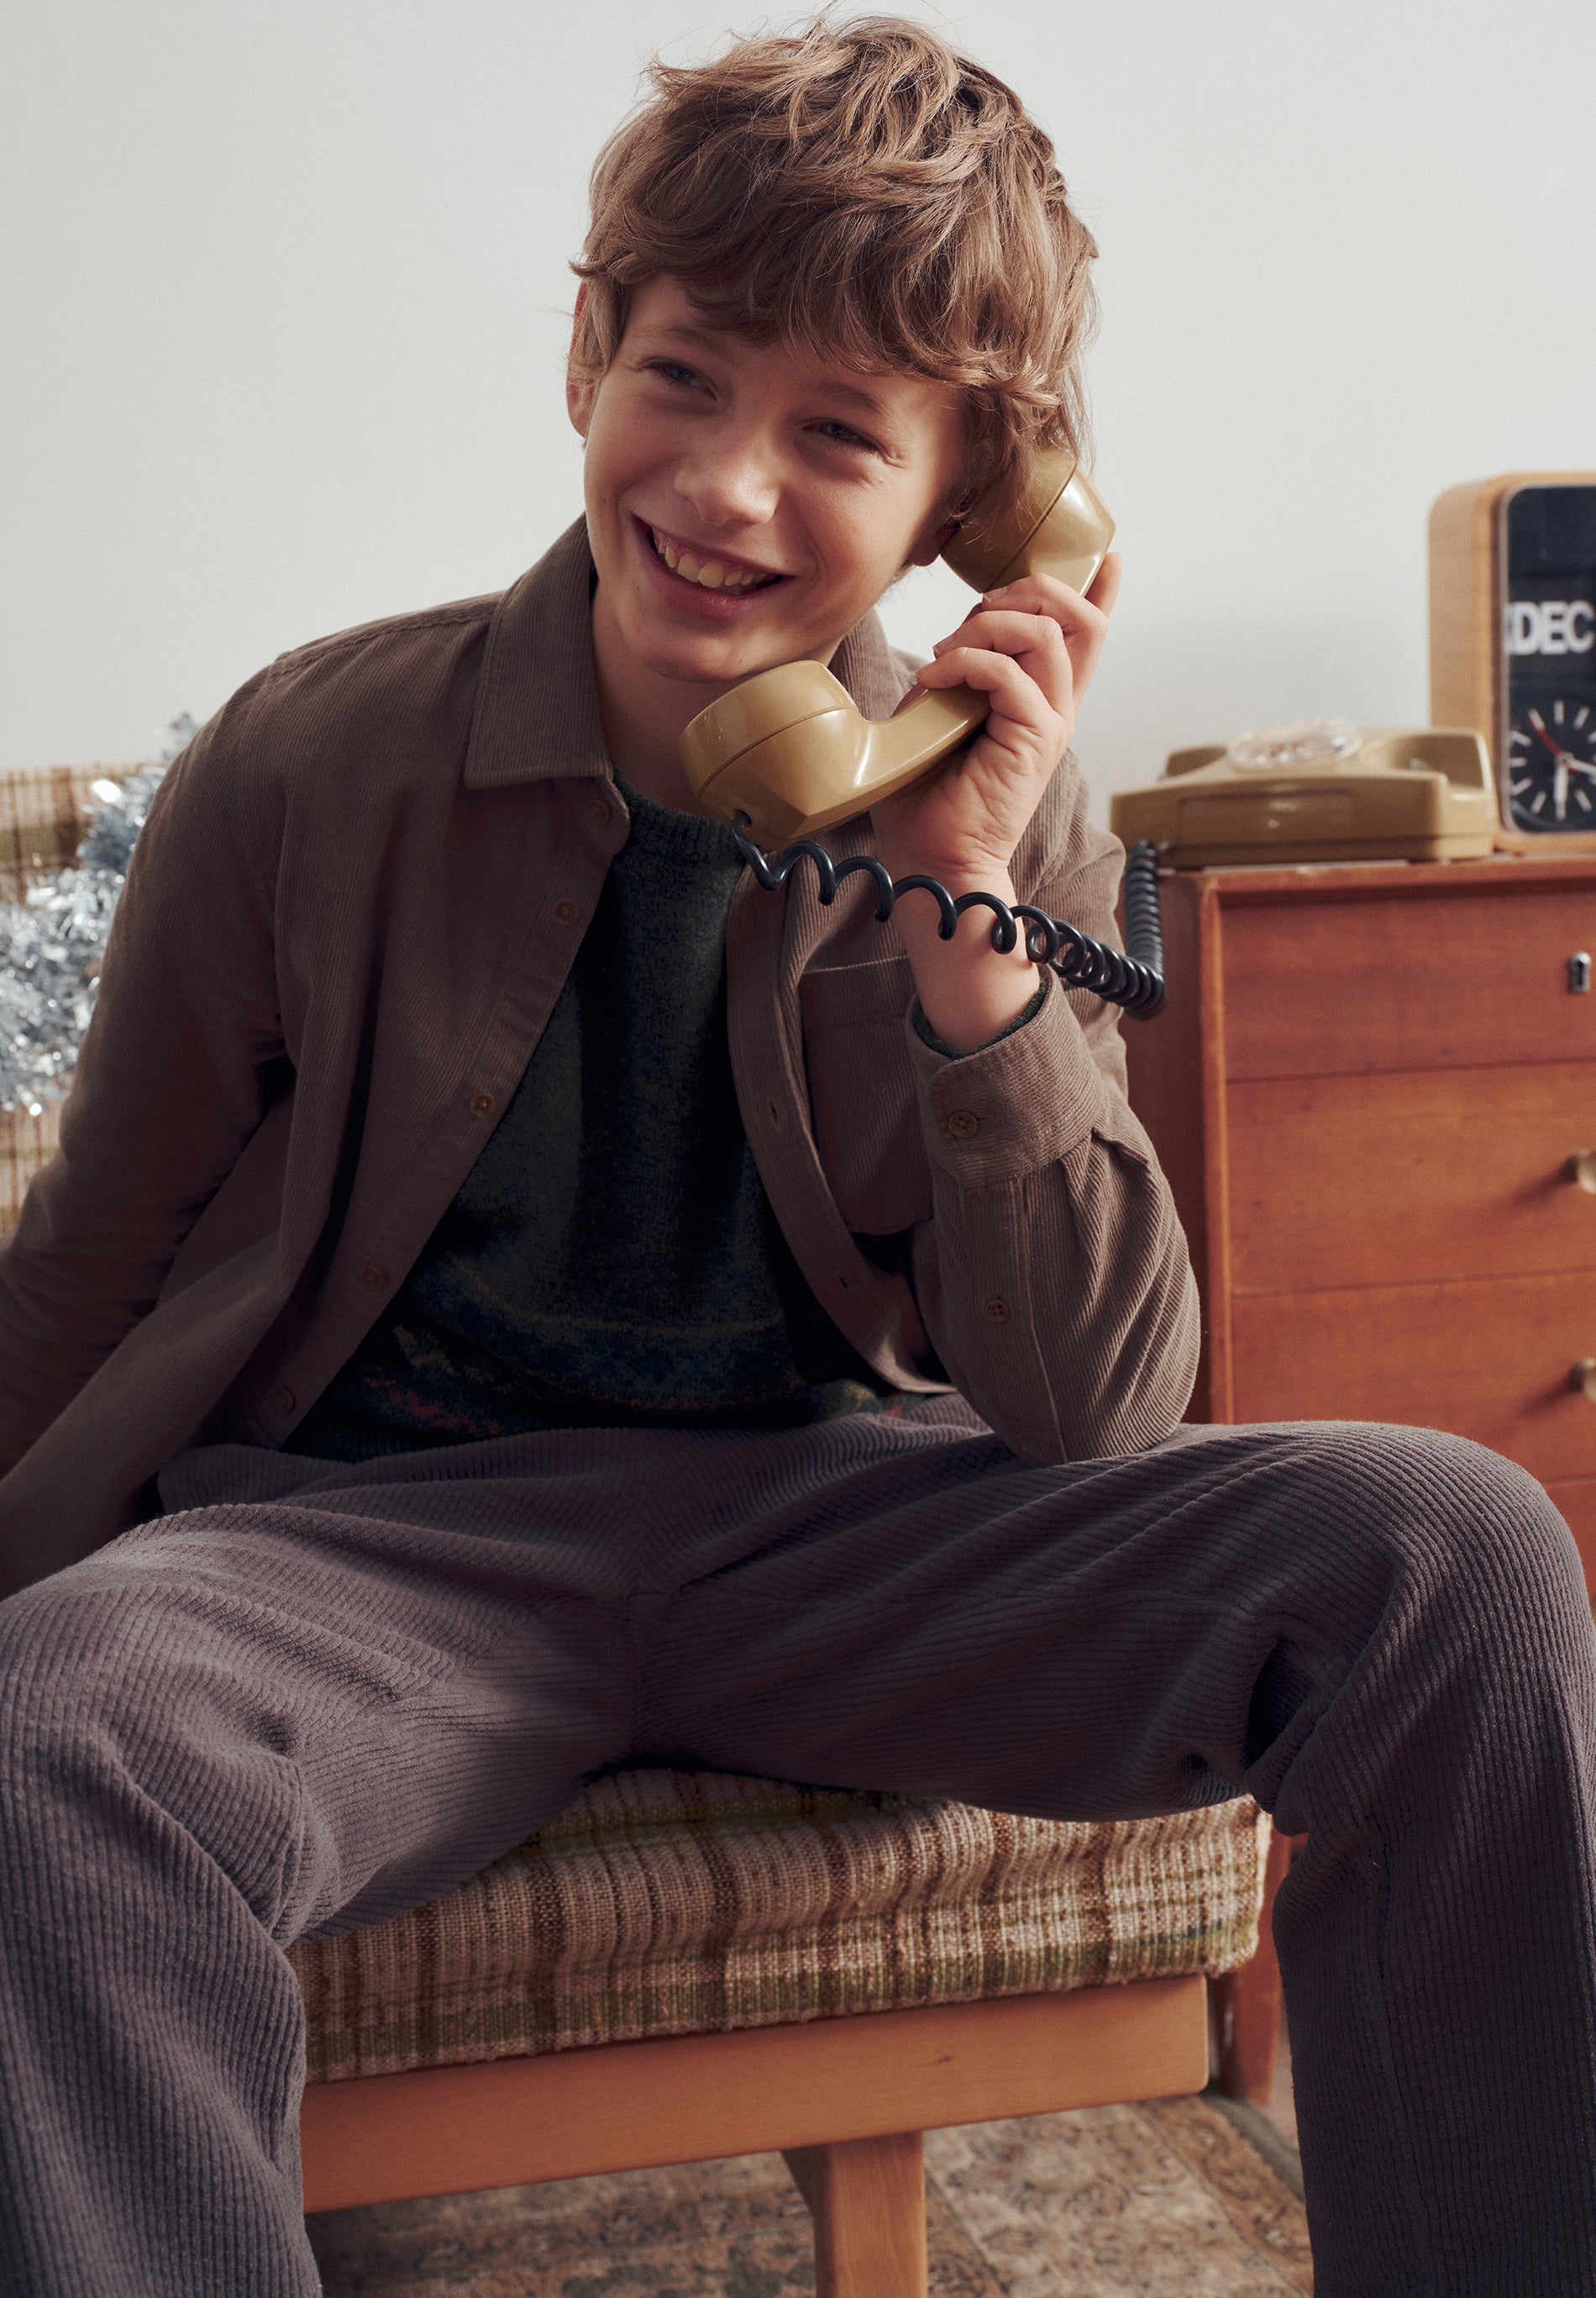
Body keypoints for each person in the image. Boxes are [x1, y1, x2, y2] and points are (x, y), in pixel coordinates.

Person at [0, 17, 1592, 2295]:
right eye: (685, 380)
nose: (730, 489)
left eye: (839, 434)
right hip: (378, 1550)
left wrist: (965, 924)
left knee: (1457, 1552)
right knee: (48, 1735)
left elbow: (1100, 1405)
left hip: (839, 1526)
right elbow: (98, 1257)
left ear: (971, 503)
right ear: (586, 356)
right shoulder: (306, 757)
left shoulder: (1007, 804)